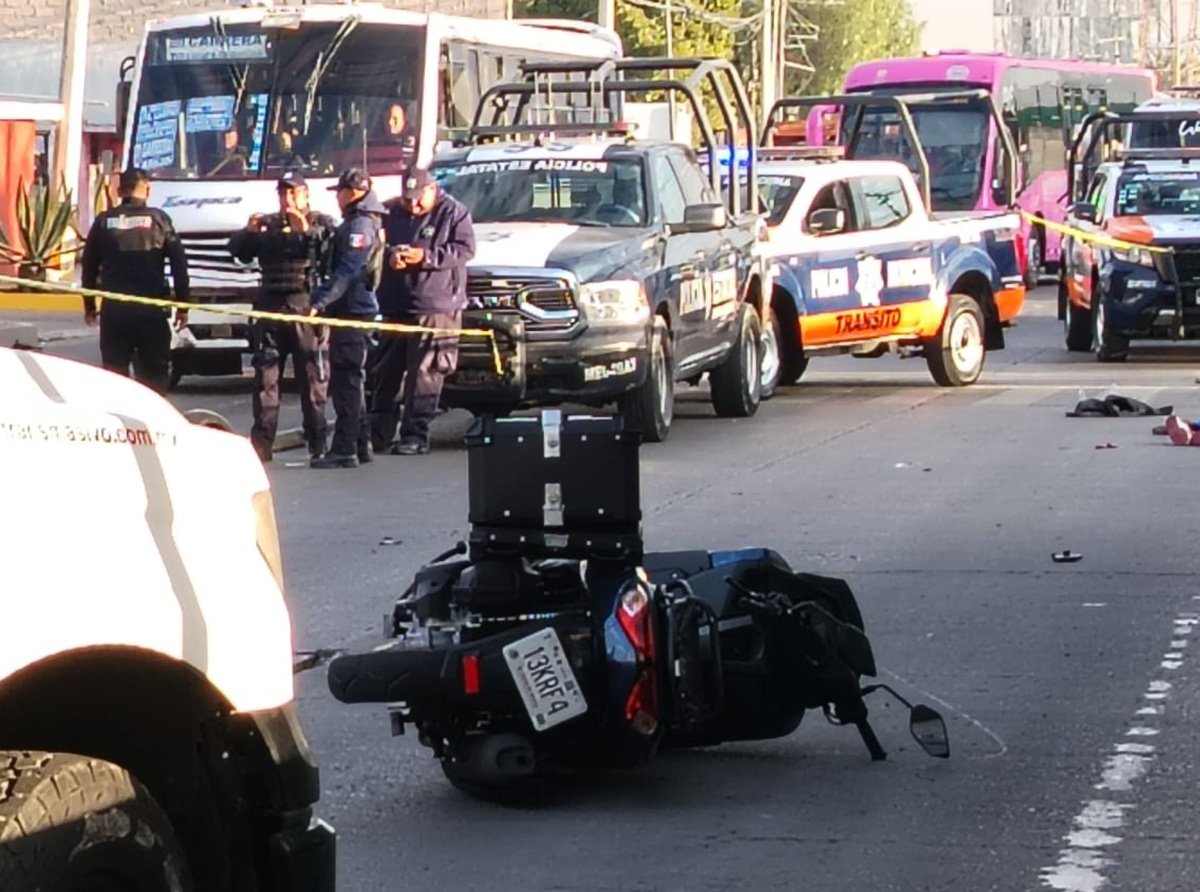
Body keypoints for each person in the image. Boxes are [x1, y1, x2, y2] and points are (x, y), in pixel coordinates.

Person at [227, 170, 338, 463]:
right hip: (270, 308)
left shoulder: (319, 223)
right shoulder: (269, 225)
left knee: (311, 379)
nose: (287, 199)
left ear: (305, 195)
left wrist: (306, 233)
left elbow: (329, 252)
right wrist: (248, 232)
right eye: (283, 193)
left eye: (293, 193)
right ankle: (262, 445)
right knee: (265, 379)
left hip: (305, 309)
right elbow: (238, 252)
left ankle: (317, 442)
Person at [372, 167, 475, 455]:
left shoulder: (454, 212)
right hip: (395, 304)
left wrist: (425, 257)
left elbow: (465, 250)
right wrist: (392, 255)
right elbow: (377, 247)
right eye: (408, 199)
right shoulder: (390, 211)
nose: (413, 205)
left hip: (436, 305)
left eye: (418, 199)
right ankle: (377, 435)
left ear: (432, 190)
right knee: (385, 372)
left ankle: (415, 436)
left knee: (425, 374)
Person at [80, 167, 189, 393]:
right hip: (150, 311)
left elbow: (88, 267)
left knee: (114, 376)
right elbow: (179, 265)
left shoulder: (103, 221)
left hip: (116, 312)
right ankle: (152, 425)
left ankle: (120, 425)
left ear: (120, 190)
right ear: (147, 189)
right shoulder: (159, 220)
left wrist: (90, 306)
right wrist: (183, 304)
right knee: (154, 377)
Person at [307, 168, 387, 469]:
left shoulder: (361, 224)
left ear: (352, 192)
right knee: (352, 379)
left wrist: (320, 300)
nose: (337, 198)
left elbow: (349, 269)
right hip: (353, 307)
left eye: (339, 192)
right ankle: (360, 443)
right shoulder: (360, 220)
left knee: (347, 380)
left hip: (354, 309)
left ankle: (344, 448)